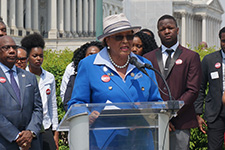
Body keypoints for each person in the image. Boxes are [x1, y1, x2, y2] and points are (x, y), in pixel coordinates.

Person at [68, 13, 162, 150]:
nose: (125, 41)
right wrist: (89, 115)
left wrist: (147, 111)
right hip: (104, 142)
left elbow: (157, 102)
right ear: (107, 40)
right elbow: (76, 103)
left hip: (140, 142)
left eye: (129, 36)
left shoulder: (144, 65)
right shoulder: (90, 65)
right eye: (119, 37)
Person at [143, 14, 202, 150]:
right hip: (155, 121)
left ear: (177, 30)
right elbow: (145, 89)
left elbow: (193, 90)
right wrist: (159, 116)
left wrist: (170, 112)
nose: (167, 31)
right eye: (162, 29)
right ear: (158, 33)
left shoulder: (191, 56)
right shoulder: (148, 58)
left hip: (181, 121)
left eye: (170, 27)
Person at [0, 35, 43, 149]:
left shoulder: (29, 77)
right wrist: (16, 136)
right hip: (4, 143)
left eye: (14, 48)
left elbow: (38, 108)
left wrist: (30, 131)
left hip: (31, 142)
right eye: (7, 48)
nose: (12, 51)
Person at [21, 33, 59, 150]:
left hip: (45, 126)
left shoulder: (49, 77)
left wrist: (55, 132)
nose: (38, 59)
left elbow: (52, 105)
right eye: (35, 56)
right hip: (29, 128)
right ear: (28, 57)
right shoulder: (22, 77)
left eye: (41, 56)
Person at [194, 27, 225, 150]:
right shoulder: (209, 60)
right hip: (215, 114)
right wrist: (198, 113)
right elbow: (200, 87)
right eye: (223, 40)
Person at [63, 41, 103, 111]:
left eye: (96, 55)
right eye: (90, 54)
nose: (93, 58)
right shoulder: (74, 78)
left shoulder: (107, 77)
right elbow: (67, 102)